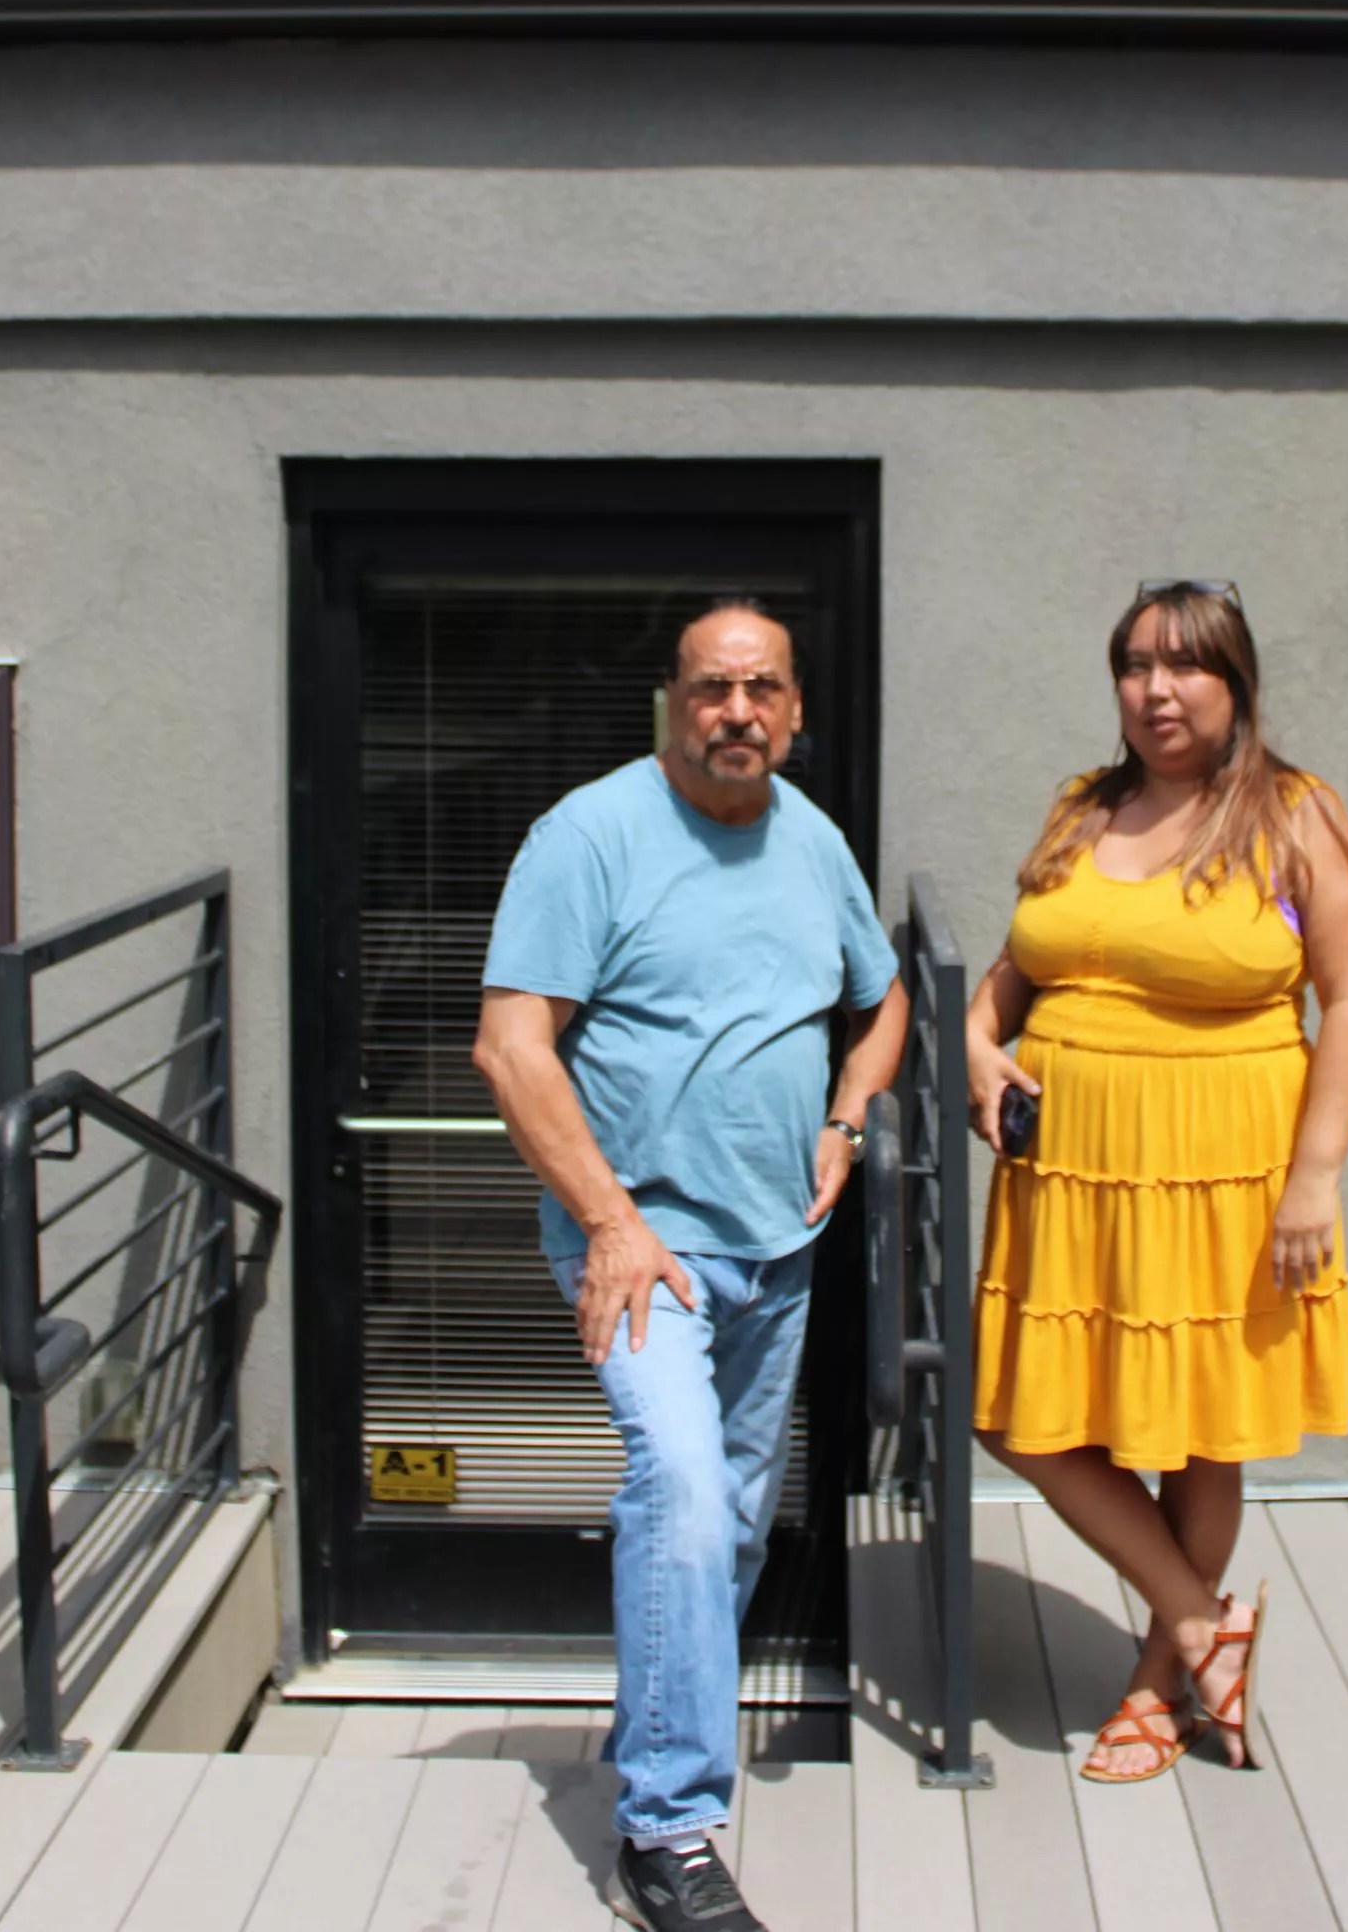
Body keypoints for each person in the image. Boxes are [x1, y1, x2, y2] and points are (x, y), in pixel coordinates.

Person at [473, 599, 908, 1932]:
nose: (738, 712)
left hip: (778, 1249)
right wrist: (609, 1220)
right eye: (713, 689)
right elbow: (511, 1047)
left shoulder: (811, 837)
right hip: (640, 1249)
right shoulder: (591, 837)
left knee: (717, 1529)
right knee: (678, 1485)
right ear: (672, 701)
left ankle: (656, 1748)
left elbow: (882, 998)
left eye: (762, 689)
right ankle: (667, 1830)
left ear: (794, 711)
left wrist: (845, 1118)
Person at [966, 580, 1348, 1782]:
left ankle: (1157, 1681)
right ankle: (1206, 1626)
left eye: (1187, 665)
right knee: (1021, 1419)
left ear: (1236, 680)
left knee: (1198, 1434)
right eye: (1135, 664)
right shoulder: (1080, 809)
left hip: (1226, 1174)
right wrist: (982, 1047)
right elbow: (1016, 969)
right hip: (1073, 1177)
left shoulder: (1299, 816)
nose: (1157, 689)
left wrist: (1316, 1178)